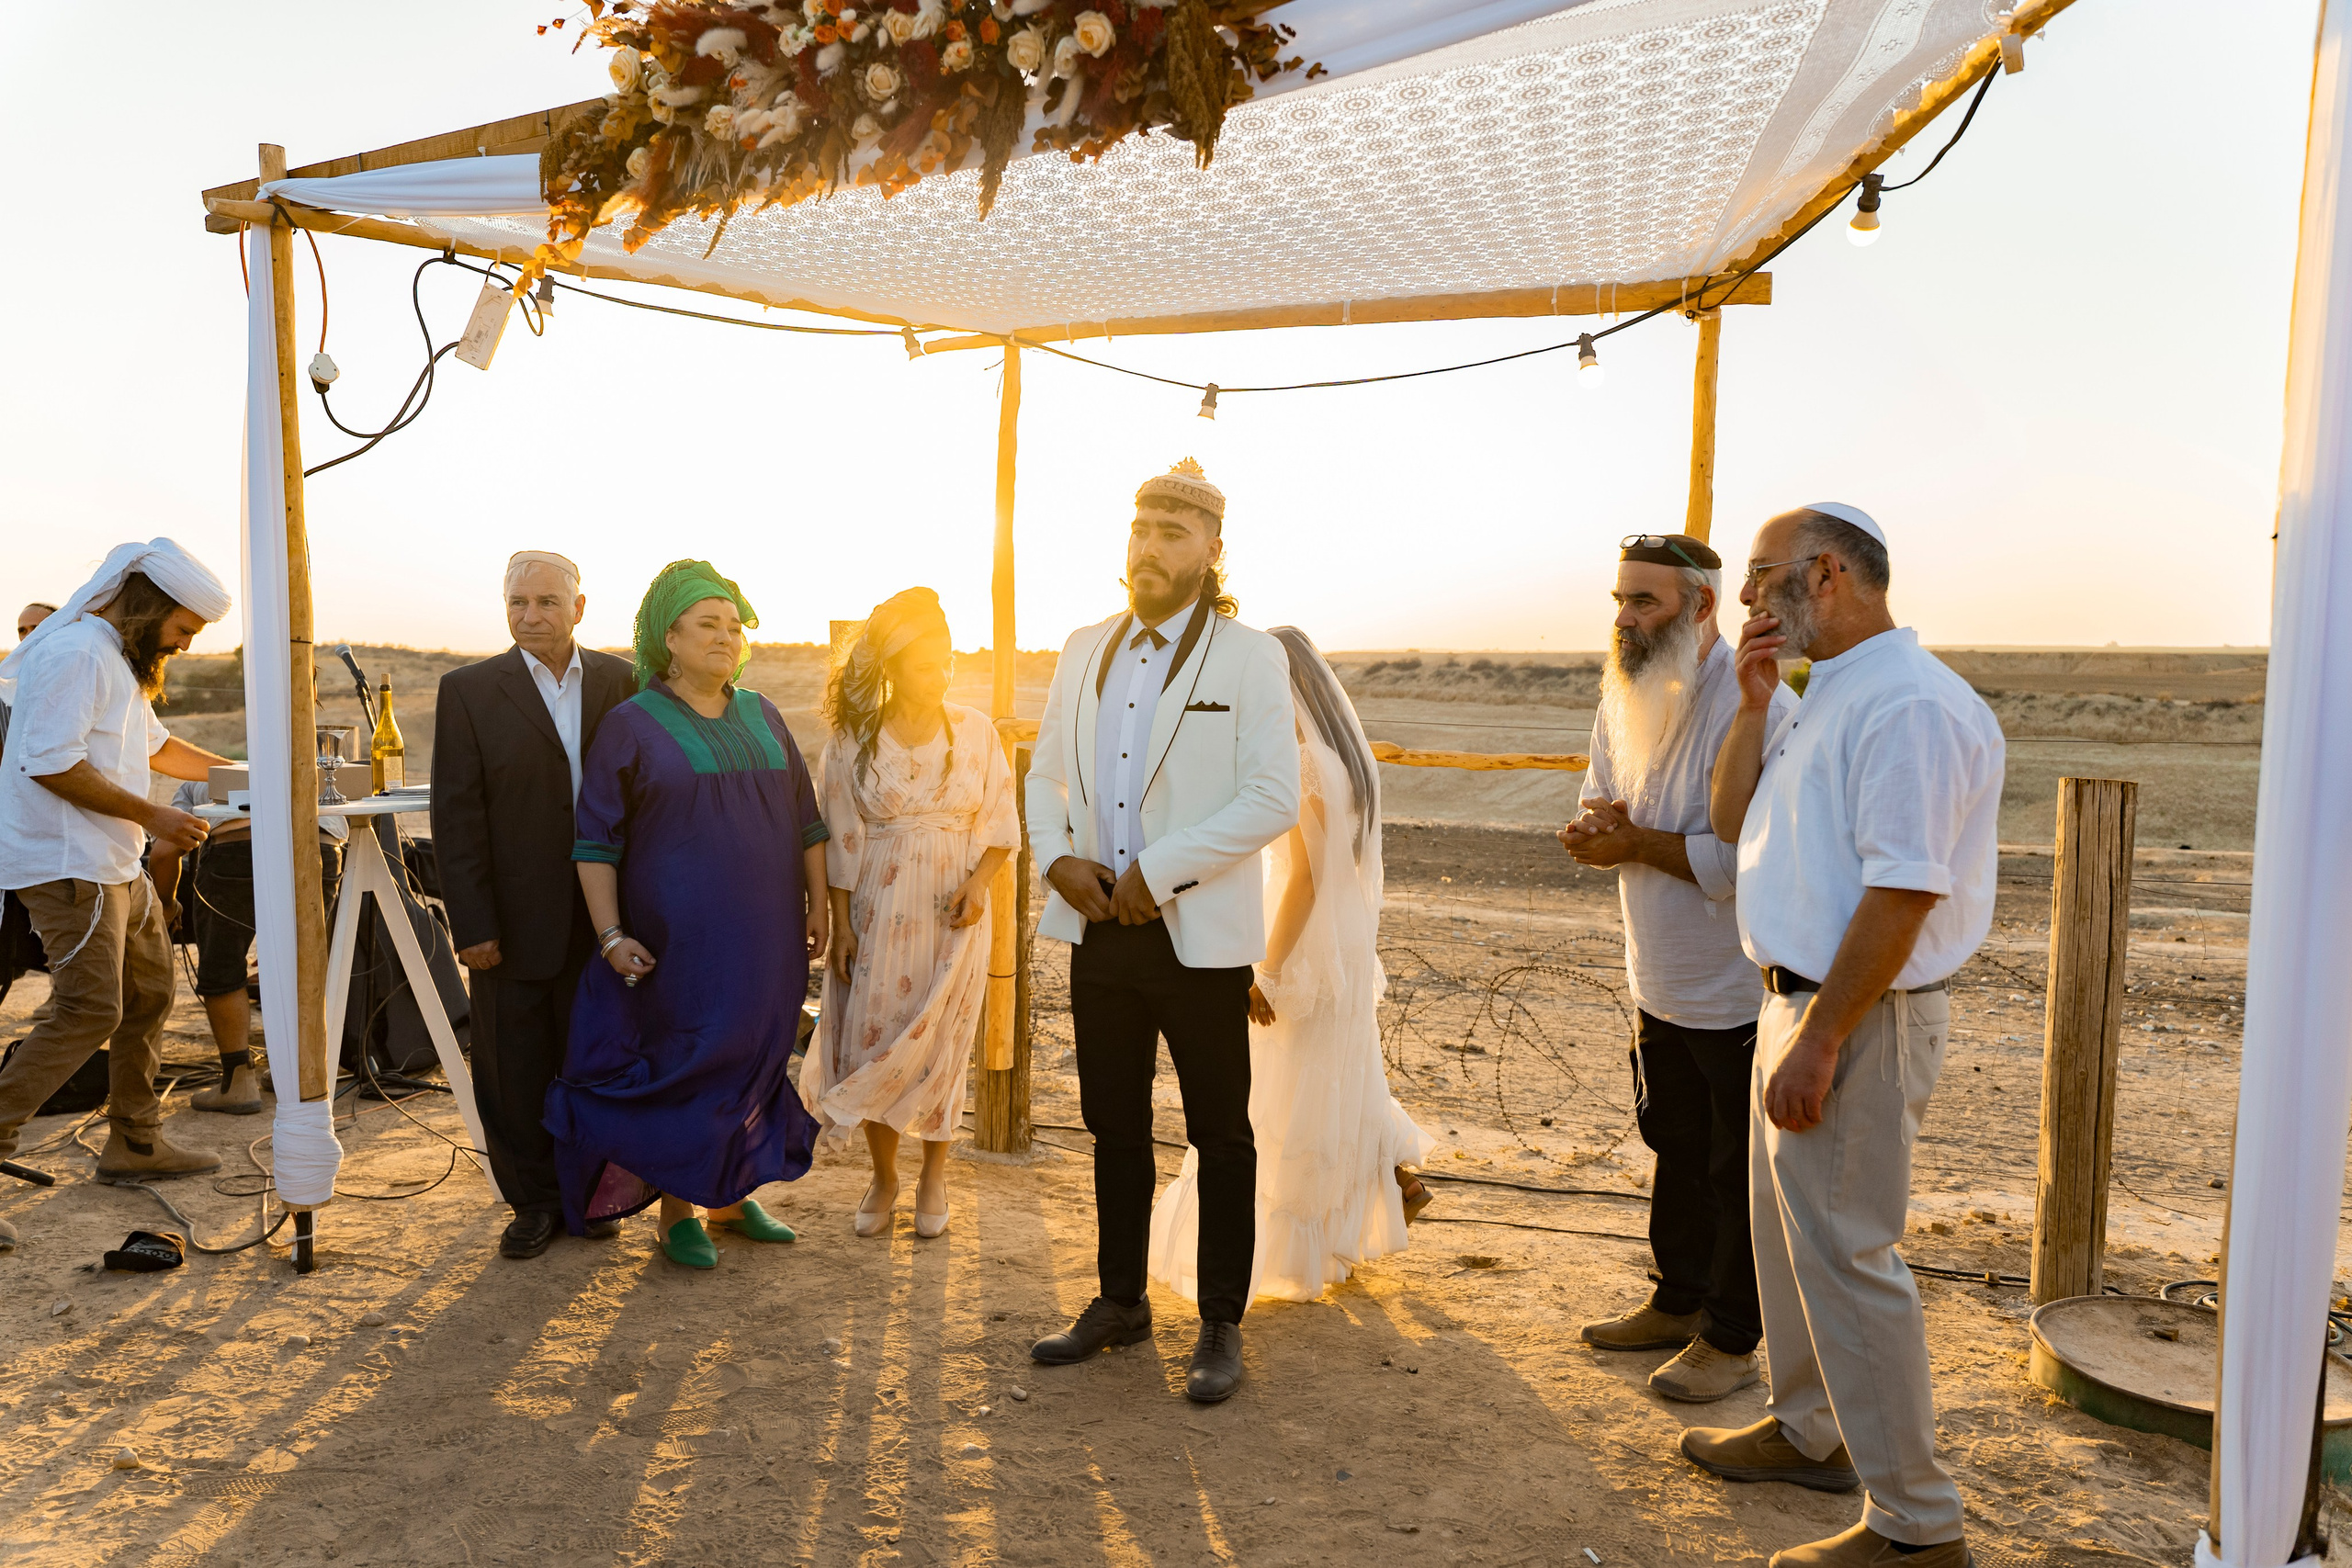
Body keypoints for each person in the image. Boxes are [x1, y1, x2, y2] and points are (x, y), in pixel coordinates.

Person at [1684, 504, 2002, 1568]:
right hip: (1792, 1004)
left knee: (1851, 1258)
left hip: (1852, 1017)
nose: (1743, 601)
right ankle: (1811, 1431)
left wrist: (1820, 1039)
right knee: (1791, 1251)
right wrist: (1749, 704)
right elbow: (1731, 822)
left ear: (1824, 575)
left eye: (1760, 576)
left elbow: (1903, 891)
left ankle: (1916, 1524)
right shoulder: (1816, 698)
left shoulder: (1907, 706)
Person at [1024, 459, 1300, 1404]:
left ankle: (1220, 1320)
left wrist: (1161, 869)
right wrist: (1054, 857)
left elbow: (1274, 795)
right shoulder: (1081, 645)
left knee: (1219, 1134)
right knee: (1112, 1127)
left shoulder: (1250, 655)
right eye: (1142, 530)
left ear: (1213, 552)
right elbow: (1042, 776)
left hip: (1200, 938)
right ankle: (1119, 1300)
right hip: (1098, 924)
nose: (1150, 547)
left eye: (1174, 534)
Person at [1559, 534, 1794, 1404]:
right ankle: (1679, 1298)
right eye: (1620, 600)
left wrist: (1635, 844)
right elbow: (1599, 788)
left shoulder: (1757, 701)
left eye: (1644, 603)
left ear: (1700, 606)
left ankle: (1732, 1337)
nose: (1624, 619)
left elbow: (1744, 860)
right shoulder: (1626, 687)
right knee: (1675, 1144)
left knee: (1738, 1168)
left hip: (1737, 988)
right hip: (1654, 975)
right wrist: (1595, 827)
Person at [548, 559, 830, 1269]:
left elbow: (808, 822)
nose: (726, 637)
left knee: (758, 1051)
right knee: (689, 1058)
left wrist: (821, 905)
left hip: (768, 934)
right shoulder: (632, 724)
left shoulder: (763, 712)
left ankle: (732, 1198)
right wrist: (611, 935)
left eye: (735, 625)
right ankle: (679, 1210)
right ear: (668, 636)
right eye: (709, 624)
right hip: (681, 940)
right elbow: (594, 842)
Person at [1148, 624, 1432, 1305]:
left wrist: (1269, 970)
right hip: (1343, 940)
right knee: (1334, 1080)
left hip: (1301, 939)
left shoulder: (1304, 758)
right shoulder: (1350, 760)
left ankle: (1299, 1242)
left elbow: (1304, 875)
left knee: (1279, 1098)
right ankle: (1392, 1183)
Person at [0, 544, 235, 1179]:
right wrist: (154, 816)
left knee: (150, 993)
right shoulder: (76, 653)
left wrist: (257, 772)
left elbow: (157, 747)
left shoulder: (114, 659)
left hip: (116, 864)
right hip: (69, 865)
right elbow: (49, 760)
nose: (186, 644)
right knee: (88, 1009)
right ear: (149, 605)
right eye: (183, 628)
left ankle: (134, 1141)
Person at [431, 551, 636, 1259]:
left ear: (579, 608)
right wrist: (473, 925)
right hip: (511, 923)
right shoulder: (468, 691)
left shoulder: (622, 681)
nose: (530, 616)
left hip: (605, 918)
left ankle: (589, 1194)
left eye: (547, 602)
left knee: (594, 1060)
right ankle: (534, 1202)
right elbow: (455, 816)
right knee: (512, 1068)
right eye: (517, 602)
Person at [807, 588, 1020, 1239]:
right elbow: (840, 837)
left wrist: (980, 883)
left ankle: (933, 1174)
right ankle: (885, 1175)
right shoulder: (852, 741)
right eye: (927, 662)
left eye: (948, 659)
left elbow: (1000, 822)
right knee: (875, 1035)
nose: (942, 673)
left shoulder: (975, 731)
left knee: (943, 1045)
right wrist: (842, 925)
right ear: (895, 667)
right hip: (878, 904)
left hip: (954, 911)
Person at [150, 775, 345, 1113]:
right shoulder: (318, 772)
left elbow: (165, 851)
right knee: (302, 963)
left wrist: (166, 904)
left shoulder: (200, 779)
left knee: (223, 963)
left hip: (235, 849)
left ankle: (238, 1082)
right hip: (322, 848)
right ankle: (300, 1073)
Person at [0, 603, 57, 763]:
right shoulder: (5, 683)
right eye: (22, 630)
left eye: (36, 627)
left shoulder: (77, 674)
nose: (28, 636)